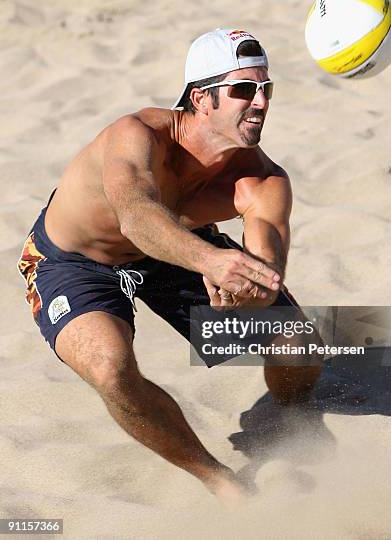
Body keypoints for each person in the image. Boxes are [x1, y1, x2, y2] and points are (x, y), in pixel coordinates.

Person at [18, 28, 322, 504]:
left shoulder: (262, 179)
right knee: (111, 371)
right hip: (75, 261)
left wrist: (252, 290)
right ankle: (220, 480)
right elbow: (137, 216)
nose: (260, 102)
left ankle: (294, 419)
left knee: (297, 342)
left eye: (266, 89)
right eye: (244, 89)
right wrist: (212, 261)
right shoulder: (136, 135)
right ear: (202, 98)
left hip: (175, 249)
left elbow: (268, 261)